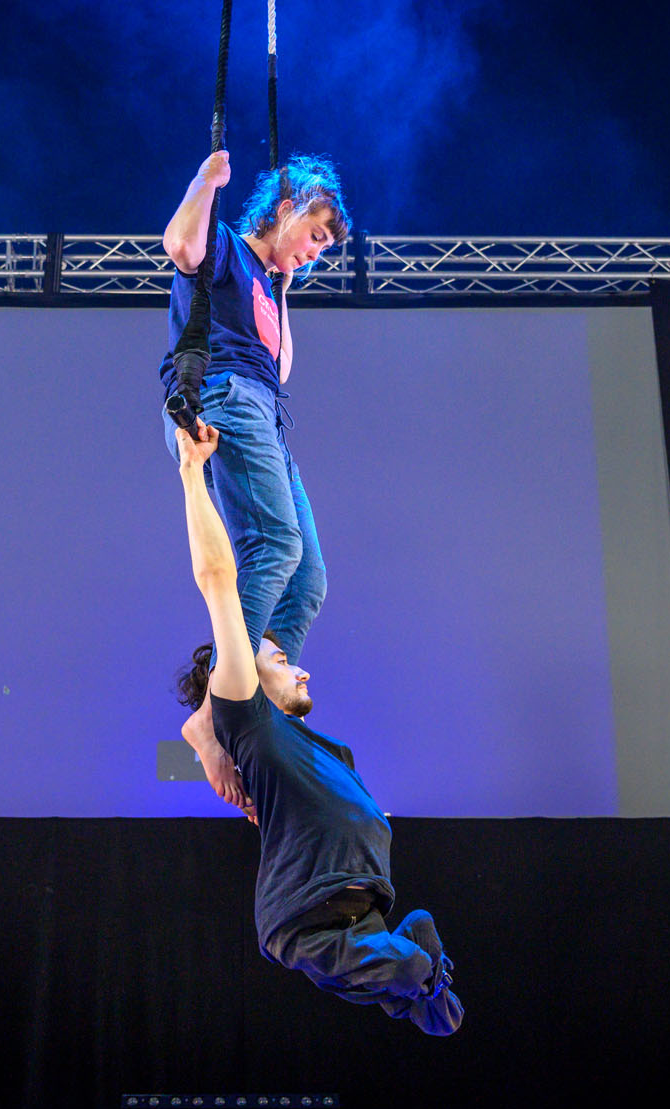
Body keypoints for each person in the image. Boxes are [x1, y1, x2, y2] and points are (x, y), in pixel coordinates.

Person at [172, 419, 461, 1036]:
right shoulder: (249, 720)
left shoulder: (295, 737)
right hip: (313, 917)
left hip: (339, 910)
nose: (299, 666)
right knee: (276, 557)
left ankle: (408, 981)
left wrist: (270, 454)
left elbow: (264, 594)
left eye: (280, 656)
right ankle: (411, 981)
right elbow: (218, 580)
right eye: (279, 658)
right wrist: (191, 473)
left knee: (304, 579)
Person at [160, 150, 351, 813]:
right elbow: (179, 243)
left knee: (308, 579)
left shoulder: (271, 282)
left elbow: (282, 364)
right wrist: (205, 182)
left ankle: (254, 697)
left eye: (325, 248)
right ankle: (214, 716)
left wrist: (287, 278)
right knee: (275, 546)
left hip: (264, 409)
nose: (315, 254)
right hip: (224, 394)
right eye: (315, 236)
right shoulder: (226, 250)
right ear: (286, 211)